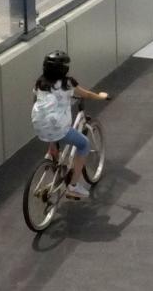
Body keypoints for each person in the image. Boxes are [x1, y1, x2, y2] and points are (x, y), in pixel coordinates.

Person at [31, 50, 109, 199]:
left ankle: (53, 148)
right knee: (84, 144)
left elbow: (37, 101)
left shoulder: (40, 83)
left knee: (51, 126)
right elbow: (86, 94)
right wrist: (100, 96)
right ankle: (73, 187)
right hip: (58, 128)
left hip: (39, 125)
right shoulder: (68, 83)